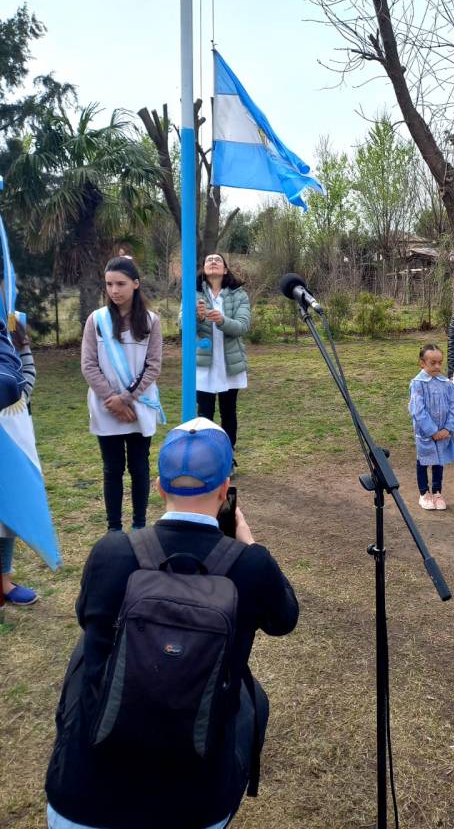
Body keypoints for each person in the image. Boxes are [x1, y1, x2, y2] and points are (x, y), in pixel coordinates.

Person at [45, 417, 299, 829]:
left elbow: (84, 617)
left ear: (160, 487)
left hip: (82, 797)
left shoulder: (111, 552)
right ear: (225, 489)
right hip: (195, 804)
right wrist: (249, 544)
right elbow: (285, 619)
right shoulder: (251, 566)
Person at [81, 257, 164, 532]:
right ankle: (114, 528)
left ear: (136, 284)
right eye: (109, 284)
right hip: (107, 406)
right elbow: (89, 364)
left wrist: (127, 398)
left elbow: (153, 365)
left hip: (138, 404)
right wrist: (113, 401)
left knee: (139, 467)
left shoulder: (151, 322)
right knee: (112, 469)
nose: (114, 290)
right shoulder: (96, 321)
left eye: (120, 284)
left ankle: (139, 525)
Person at [196, 253, 251, 469]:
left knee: (228, 412)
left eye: (218, 260)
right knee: (204, 413)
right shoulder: (194, 293)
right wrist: (197, 316)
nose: (213, 262)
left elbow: (242, 326)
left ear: (225, 270)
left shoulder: (239, 295)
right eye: (208, 259)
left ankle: (227, 458)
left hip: (229, 364)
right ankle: (207, 458)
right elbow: (182, 323)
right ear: (203, 268)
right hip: (203, 364)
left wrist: (222, 320)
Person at [0, 321, 40, 604]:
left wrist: (22, 343)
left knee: (6, 514)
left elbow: (25, 376)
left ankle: (4, 582)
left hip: (8, 435)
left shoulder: (6, 331)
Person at [408, 343, 454, 511]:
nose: (437, 366)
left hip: (443, 434)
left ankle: (437, 492)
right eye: (433, 363)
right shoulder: (417, 384)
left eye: (440, 362)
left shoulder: (447, 384)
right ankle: (424, 493)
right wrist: (432, 431)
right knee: (423, 462)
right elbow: (418, 410)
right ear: (422, 363)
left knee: (439, 462)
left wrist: (447, 429)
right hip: (426, 434)